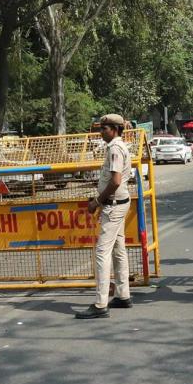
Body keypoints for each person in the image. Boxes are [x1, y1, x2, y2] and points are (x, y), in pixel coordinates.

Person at [76, 115, 134, 320]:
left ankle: (100, 304)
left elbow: (116, 180)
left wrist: (97, 202)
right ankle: (123, 294)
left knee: (102, 252)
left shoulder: (115, 149)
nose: (101, 132)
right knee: (118, 249)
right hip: (118, 203)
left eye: (105, 128)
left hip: (113, 205)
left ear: (116, 129)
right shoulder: (117, 147)